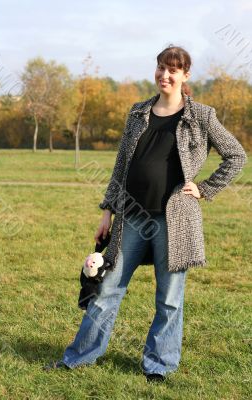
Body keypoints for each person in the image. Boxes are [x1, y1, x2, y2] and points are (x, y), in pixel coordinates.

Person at [43, 45, 247, 382]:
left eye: (173, 70)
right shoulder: (138, 112)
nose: (165, 75)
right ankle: (79, 357)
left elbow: (236, 156)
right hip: (131, 217)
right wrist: (108, 211)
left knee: (169, 297)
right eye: (161, 68)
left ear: (185, 75)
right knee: (107, 287)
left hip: (174, 221)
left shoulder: (202, 116)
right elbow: (121, 165)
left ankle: (159, 365)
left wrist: (205, 188)